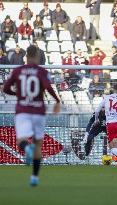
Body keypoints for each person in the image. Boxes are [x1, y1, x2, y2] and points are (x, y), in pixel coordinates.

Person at [3, 45, 61, 186]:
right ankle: (34, 177)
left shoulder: (18, 71)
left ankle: (26, 148)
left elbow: (5, 88)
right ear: (37, 56)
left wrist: (17, 94)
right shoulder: (42, 71)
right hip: (38, 111)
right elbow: (48, 87)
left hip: (23, 110)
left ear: (26, 56)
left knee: (21, 140)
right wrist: (57, 100)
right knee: (38, 145)